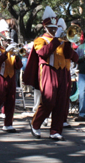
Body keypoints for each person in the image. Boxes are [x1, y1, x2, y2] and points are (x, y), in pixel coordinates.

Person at [24, 8, 74, 141]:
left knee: (61, 102)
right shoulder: (40, 40)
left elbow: (69, 56)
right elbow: (43, 53)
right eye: (51, 27)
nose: (53, 30)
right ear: (45, 27)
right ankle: (36, 124)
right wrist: (57, 39)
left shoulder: (61, 40)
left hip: (62, 71)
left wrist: (68, 41)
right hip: (47, 70)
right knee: (49, 100)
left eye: (55, 27)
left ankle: (55, 130)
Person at [0, 20, 23, 132]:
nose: (7, 42)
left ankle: (8, 124)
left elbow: (19, 65)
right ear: (0, 39)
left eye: (8, 40)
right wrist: (6, 52)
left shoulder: (12, 50)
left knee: (11, 100)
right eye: (5, 40)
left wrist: (16, 56)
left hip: (11, 76)